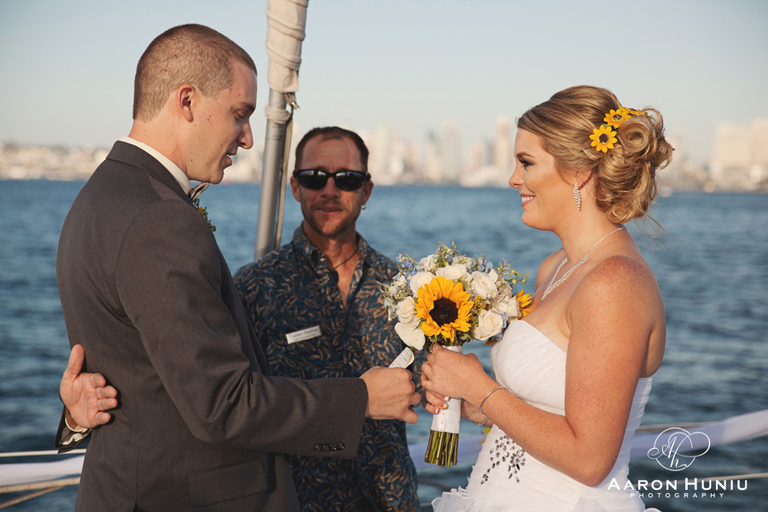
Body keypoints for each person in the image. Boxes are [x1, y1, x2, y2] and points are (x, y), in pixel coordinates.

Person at [55, 24, 420, 512]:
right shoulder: (159, 218)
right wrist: (361, 399)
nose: (247, 138)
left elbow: (138, 370)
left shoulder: (100, 198)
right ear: (187, 101)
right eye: (239, 114)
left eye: (348, 179)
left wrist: (77, 413)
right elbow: (222, 403)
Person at [421, 85, 672, 511]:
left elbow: (589, 459)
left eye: (526, 163)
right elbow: (550, 409)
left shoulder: (614, 283)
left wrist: (478, 386)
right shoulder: (556, 266)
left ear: (579, 172)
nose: (513, 179)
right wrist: (476, 406)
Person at [233, 127, 423, 512]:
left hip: (390, 500)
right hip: (295, 501)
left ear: (366, 191)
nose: (330, 190)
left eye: (347, 179)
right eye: (314, 177)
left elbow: (433, 384)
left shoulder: (405, 287)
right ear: (295, 187)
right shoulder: (254, 287)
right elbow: (231, 400)